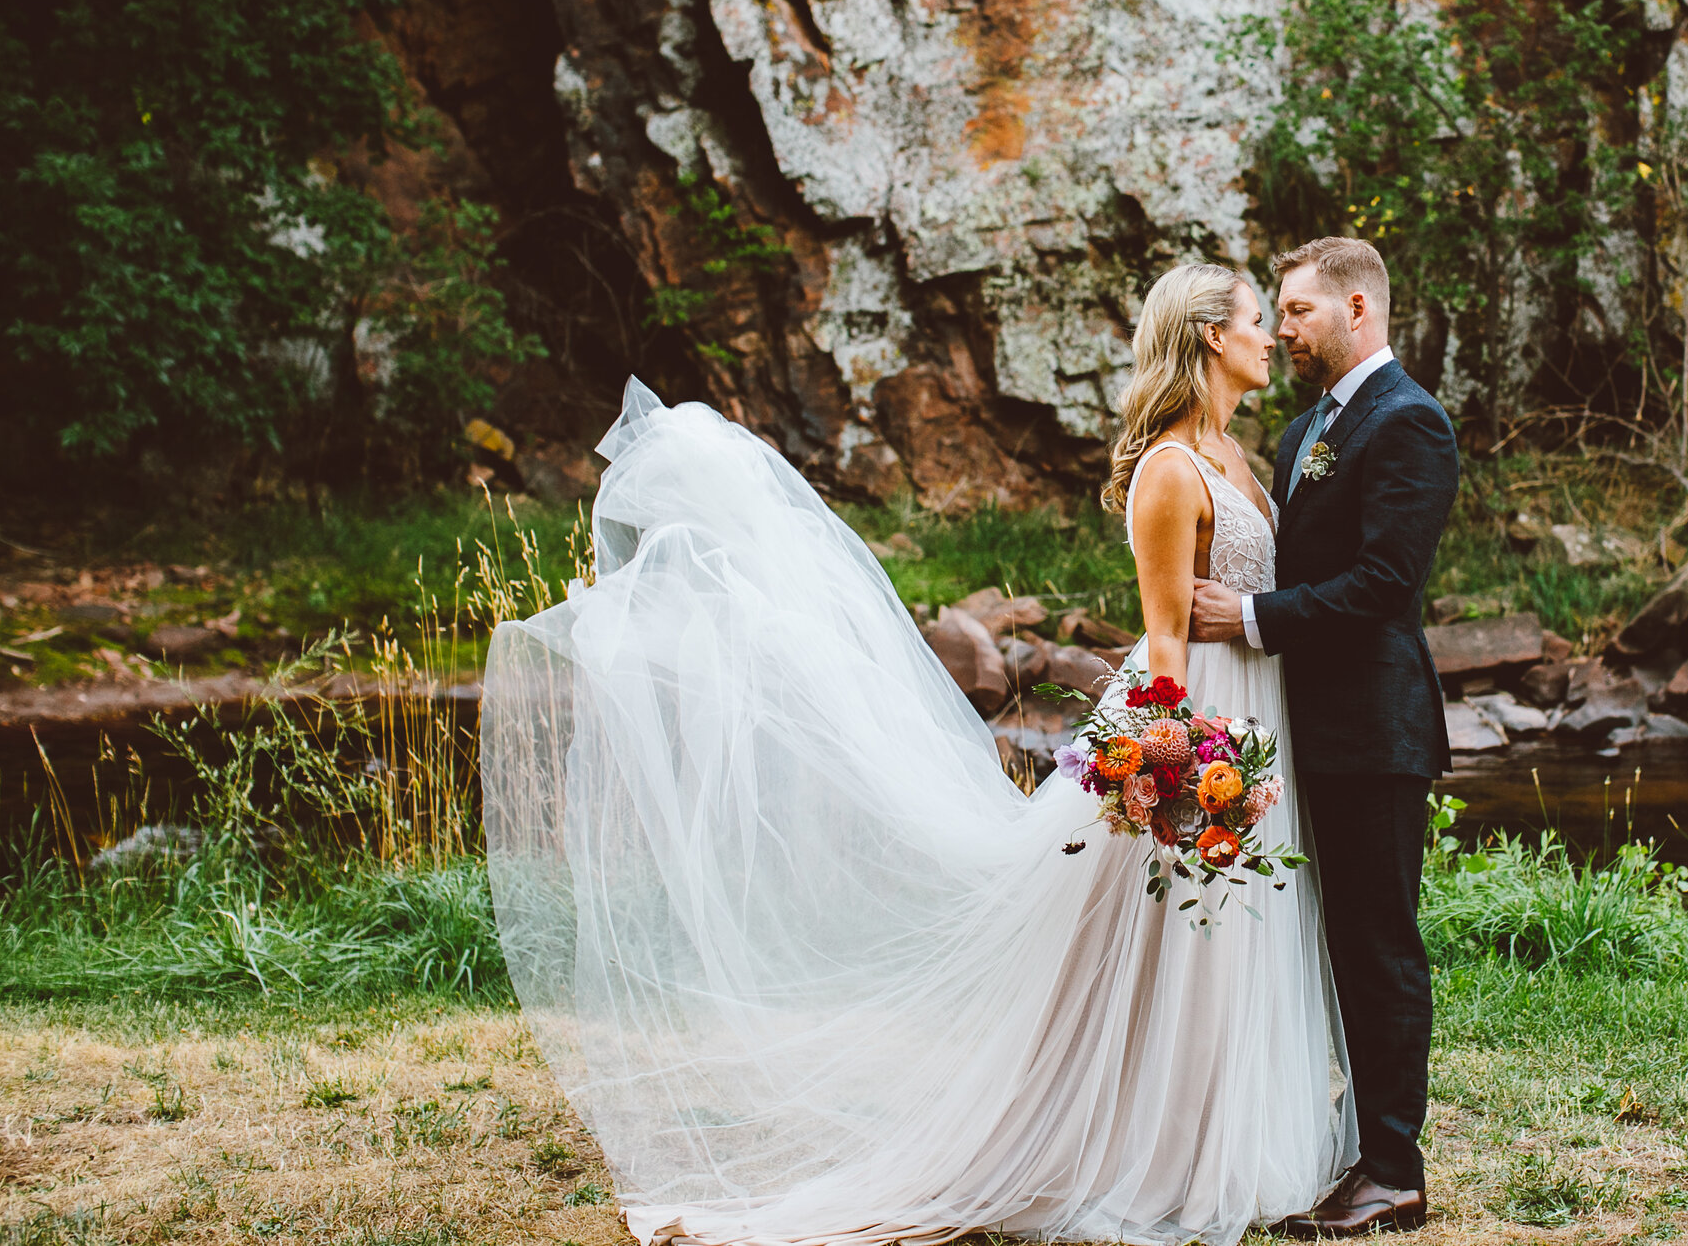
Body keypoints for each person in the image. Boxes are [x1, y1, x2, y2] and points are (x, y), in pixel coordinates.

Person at [482, 262, 1351, 1246]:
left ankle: (1227, 1144)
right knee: (1185, 954)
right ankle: (1164, 1161)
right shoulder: (1168, 468)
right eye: (1252, 318)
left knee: (1234, 949)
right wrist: (1173, 773)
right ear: (1206, 337)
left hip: (1253, 720)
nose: (1268, 335)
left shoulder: (1241, 454)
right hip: (1191, 732)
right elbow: (1160, 646)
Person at [1190, 237, 1457, 1239]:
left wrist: (1249, 617)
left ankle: (1393, 1168)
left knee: (1377, 946)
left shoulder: (1410, 423)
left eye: (1297, 311)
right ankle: (1338, 1145)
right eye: (1280, 314)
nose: (1284, 329)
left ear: (1357, 307)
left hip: (1373, 732)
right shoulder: (1308, 426)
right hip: (1299, 730)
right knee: (1323, 946)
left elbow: (1385, 585)